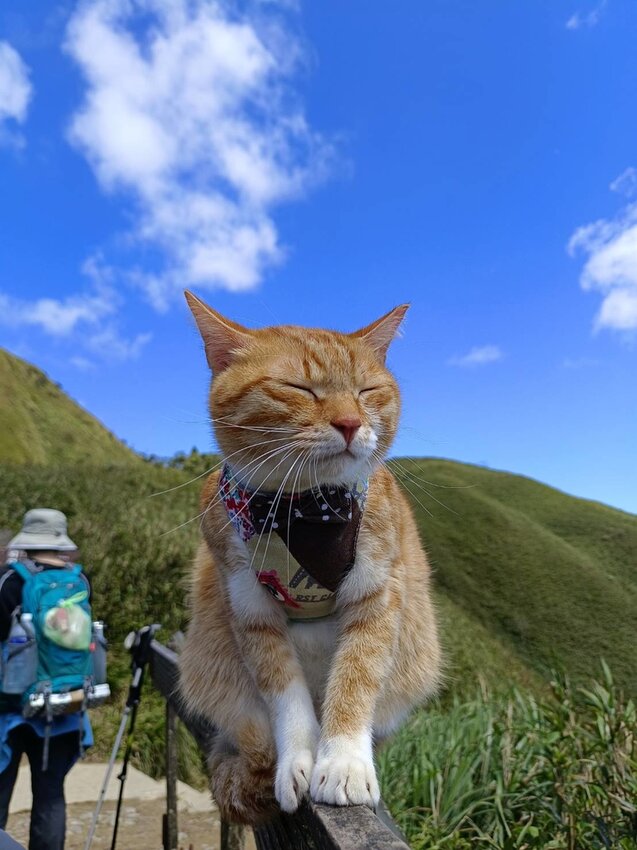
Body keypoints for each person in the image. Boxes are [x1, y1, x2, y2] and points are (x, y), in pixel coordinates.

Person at [0, 510, 93, 850]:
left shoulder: (10, 580)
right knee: (51, 795)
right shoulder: (79, 581)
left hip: (10, 708)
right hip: (64, 706)